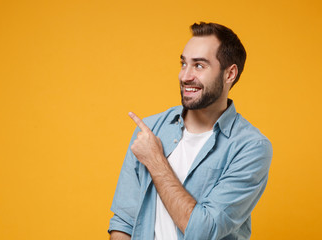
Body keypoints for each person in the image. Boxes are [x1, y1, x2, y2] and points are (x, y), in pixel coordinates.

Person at [108, 22, 272, 240]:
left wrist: (156, 161)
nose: (185, 76)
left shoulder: (250, 147)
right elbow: (124, 222)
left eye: (199, 66)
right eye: (183, 63)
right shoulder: (150, 129)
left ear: (230, 74)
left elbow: (204, 231)